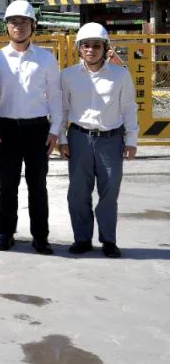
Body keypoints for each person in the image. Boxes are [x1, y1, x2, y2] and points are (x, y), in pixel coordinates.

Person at [0, 0, 61, 255]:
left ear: (33, 26)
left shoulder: (46, 58)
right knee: (7, 186)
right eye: (13, 22)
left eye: (24, 22)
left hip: (37, 130)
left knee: (37, 186)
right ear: (6, 26)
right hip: (6, 130)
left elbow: (55, 96)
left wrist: (55, 130)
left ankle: (40, 237)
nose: (18, 26)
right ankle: (6, 233)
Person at [59, 22, 138, 258]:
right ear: (79, 48)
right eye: (86, 45)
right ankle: (82, 238)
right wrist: (62, 139)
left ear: (105, 48)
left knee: (110, 190)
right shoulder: (68, 76)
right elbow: (62, 109)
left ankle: (108, 240)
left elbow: (129, 108)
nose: (91, 50)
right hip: (79, 138)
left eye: (96, 45)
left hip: (110, 139)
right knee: (78, 191)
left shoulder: (120, 75)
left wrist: (131, 140)